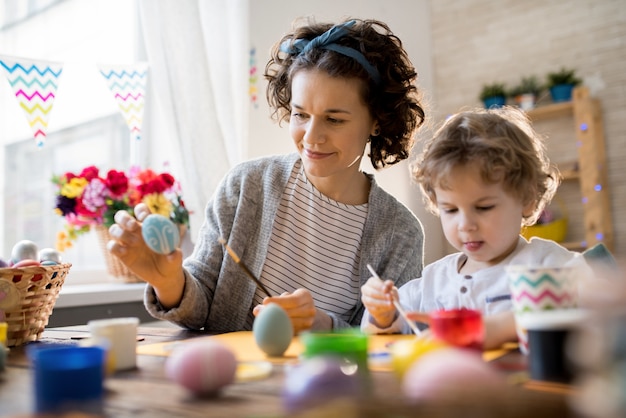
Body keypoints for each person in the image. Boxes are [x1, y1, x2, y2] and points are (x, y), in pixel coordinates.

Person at [108, 18, 426, 334]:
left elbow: (398, 339)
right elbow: (200, 307)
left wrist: (324, 325)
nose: (312, 137)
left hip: (333, 384)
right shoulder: (247, 186)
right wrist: (168, 281)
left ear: (377, 121)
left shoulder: (400, 234)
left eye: (334, 119)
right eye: (301, 114)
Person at [360, 106, 591, 349]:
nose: (465, 225)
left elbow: (598, 304)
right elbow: (387, 331)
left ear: (527, 199)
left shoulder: (547, 265)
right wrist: (384, 315)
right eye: (450, 210)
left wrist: (501, 327)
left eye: (483, 208)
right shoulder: (434, 280)